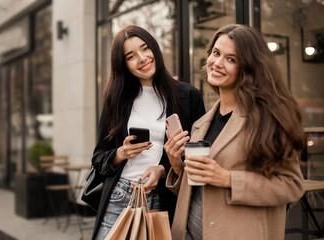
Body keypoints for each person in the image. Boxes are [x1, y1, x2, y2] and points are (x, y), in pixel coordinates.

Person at [164, 24, 305, 240]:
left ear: (249, 68)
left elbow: (292, 186)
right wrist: (177, 166)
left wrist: (229, 179)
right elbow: (199, 192)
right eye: (216, 53)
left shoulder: (268, 120)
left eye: (231, 59)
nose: (218, 63)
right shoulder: (200, 124)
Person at [91, 25, 205, 239]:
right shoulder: (116, 101)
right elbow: (98, 159)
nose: (142, 58)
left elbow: (199, 153)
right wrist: (121, 153)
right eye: (131, 56)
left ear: (155, 49)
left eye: (145, 48)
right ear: (123, 65)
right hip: (119, 196)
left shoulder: (188, 96)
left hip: (163, 198)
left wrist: (163, 169)